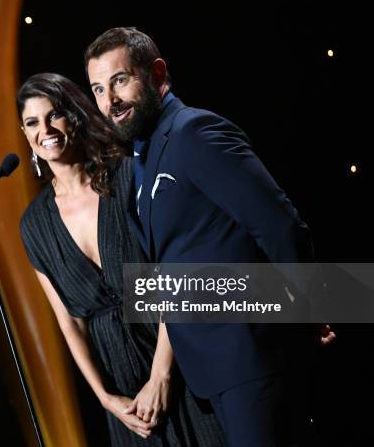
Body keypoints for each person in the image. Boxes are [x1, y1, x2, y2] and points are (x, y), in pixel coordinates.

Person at [85, 27, 335, 447]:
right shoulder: (143, 158)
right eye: (97, 88)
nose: (109, 101)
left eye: (120, 80)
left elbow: (279, 223)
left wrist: (309, 304)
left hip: (252, 357)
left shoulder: (194, 132)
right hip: (213, 371)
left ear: (157, 73)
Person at [18, 73, 226, 446]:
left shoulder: (131, 175)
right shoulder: (34, 224)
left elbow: (175, 276)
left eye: (54, 115)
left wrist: (161, 374)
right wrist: (106, 399)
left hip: (181, 358)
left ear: (76, 116)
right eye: (32, 121)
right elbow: (70, 324)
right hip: (123, 397)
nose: (45, 129)